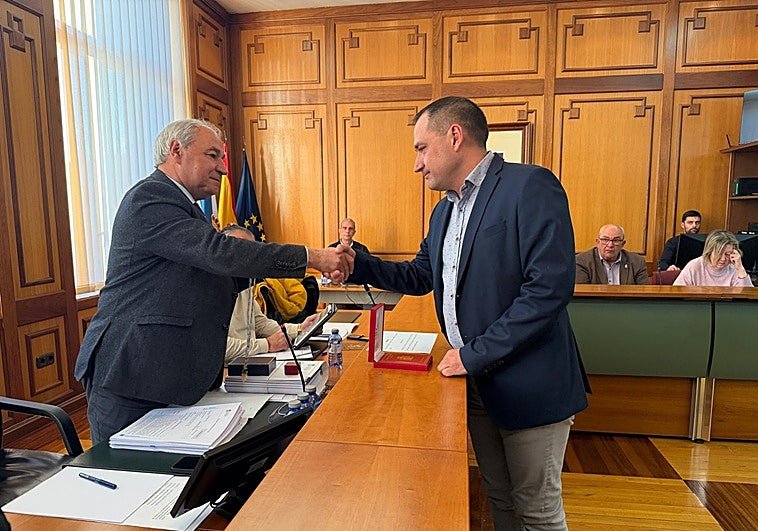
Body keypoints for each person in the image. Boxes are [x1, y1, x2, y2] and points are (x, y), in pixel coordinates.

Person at [342, 96, 588, 530]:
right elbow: (420, 275)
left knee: (538, 511)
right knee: (499, 496)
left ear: (455, 136)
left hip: (529, 383)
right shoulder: (444, 211)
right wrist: (356, 264)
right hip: (476, 384)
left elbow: (547, 291)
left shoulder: (530, 186)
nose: (417, 164)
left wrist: (473, 354)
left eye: (421, 148)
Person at [74, 118, 353, 444]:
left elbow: (211, 278)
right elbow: (219, 254)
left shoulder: (185, 208)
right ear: (176, 151)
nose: (222, 168)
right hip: (131, 374)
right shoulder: (150, 198)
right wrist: (311, 258)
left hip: (164, 375)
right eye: (212, 155)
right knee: (126, 469)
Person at [222, 225, 319, 364]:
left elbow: (260, 323)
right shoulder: (209, 290)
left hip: (248, 362)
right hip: (227, 369)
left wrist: (299, 329)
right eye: (243, 249)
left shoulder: (243, 283)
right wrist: (267, 344)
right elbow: (218, 347)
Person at [673, 230, 753, 287]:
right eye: (719, 253)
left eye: (728, 254)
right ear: (709, 251)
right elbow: (677, 292)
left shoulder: (734, 268)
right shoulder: (694, 266)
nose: (723, 259)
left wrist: (740, 268)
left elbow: (747, 297)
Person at [575, 224, 649, 285]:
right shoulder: (582, 261)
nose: (610, 245)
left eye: (616, 240)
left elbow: (643, 292)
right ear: (598, 242)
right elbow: (581, 293)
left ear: (623, 244)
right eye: (605, 240)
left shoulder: (637, 262)